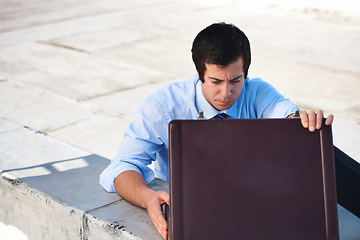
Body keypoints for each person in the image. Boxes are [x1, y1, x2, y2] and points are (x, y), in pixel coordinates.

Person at [99, 22, 334, 239]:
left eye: (235, 81)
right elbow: (122, 166)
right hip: (193, 213)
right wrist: (148, 197)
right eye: (216, 82)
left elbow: (285, 113)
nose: (226, 94)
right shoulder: (162, 107)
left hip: (255, 206)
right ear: (200, 75)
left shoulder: (257, 91)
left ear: (246, 74)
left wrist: (301, 119)